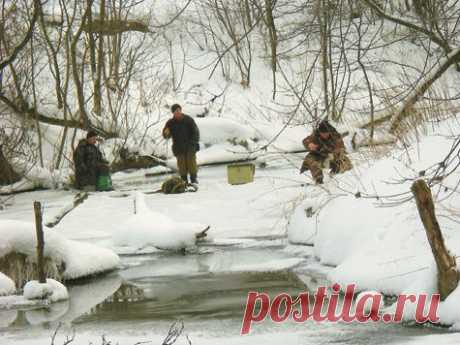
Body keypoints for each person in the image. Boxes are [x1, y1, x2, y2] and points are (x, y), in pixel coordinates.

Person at [300, 120, 352, 184]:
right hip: (319, 157)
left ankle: (335, 174)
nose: (324, 135)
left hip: (332, 157)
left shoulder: (336, 137)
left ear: (329, 132)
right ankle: (319, 180)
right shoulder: (315, 135)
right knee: (310, 159)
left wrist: (327, 150)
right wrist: (309, 144)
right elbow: (305, 141)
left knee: (346, 162)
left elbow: (341, 149)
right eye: (322, 133)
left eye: (326, 133)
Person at [162, 104, 200, 184]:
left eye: (179, 110)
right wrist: (166, 133)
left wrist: (193, 142)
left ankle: (193, 179)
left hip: (190, 145)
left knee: (191, 162)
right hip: (178, 147)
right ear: (173, 113)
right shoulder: (170, 123)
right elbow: (166, 136)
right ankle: (184, 180)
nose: (178, 112)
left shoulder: (188, 119)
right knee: (181, 165)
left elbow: (196, 132)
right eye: (176, 111)